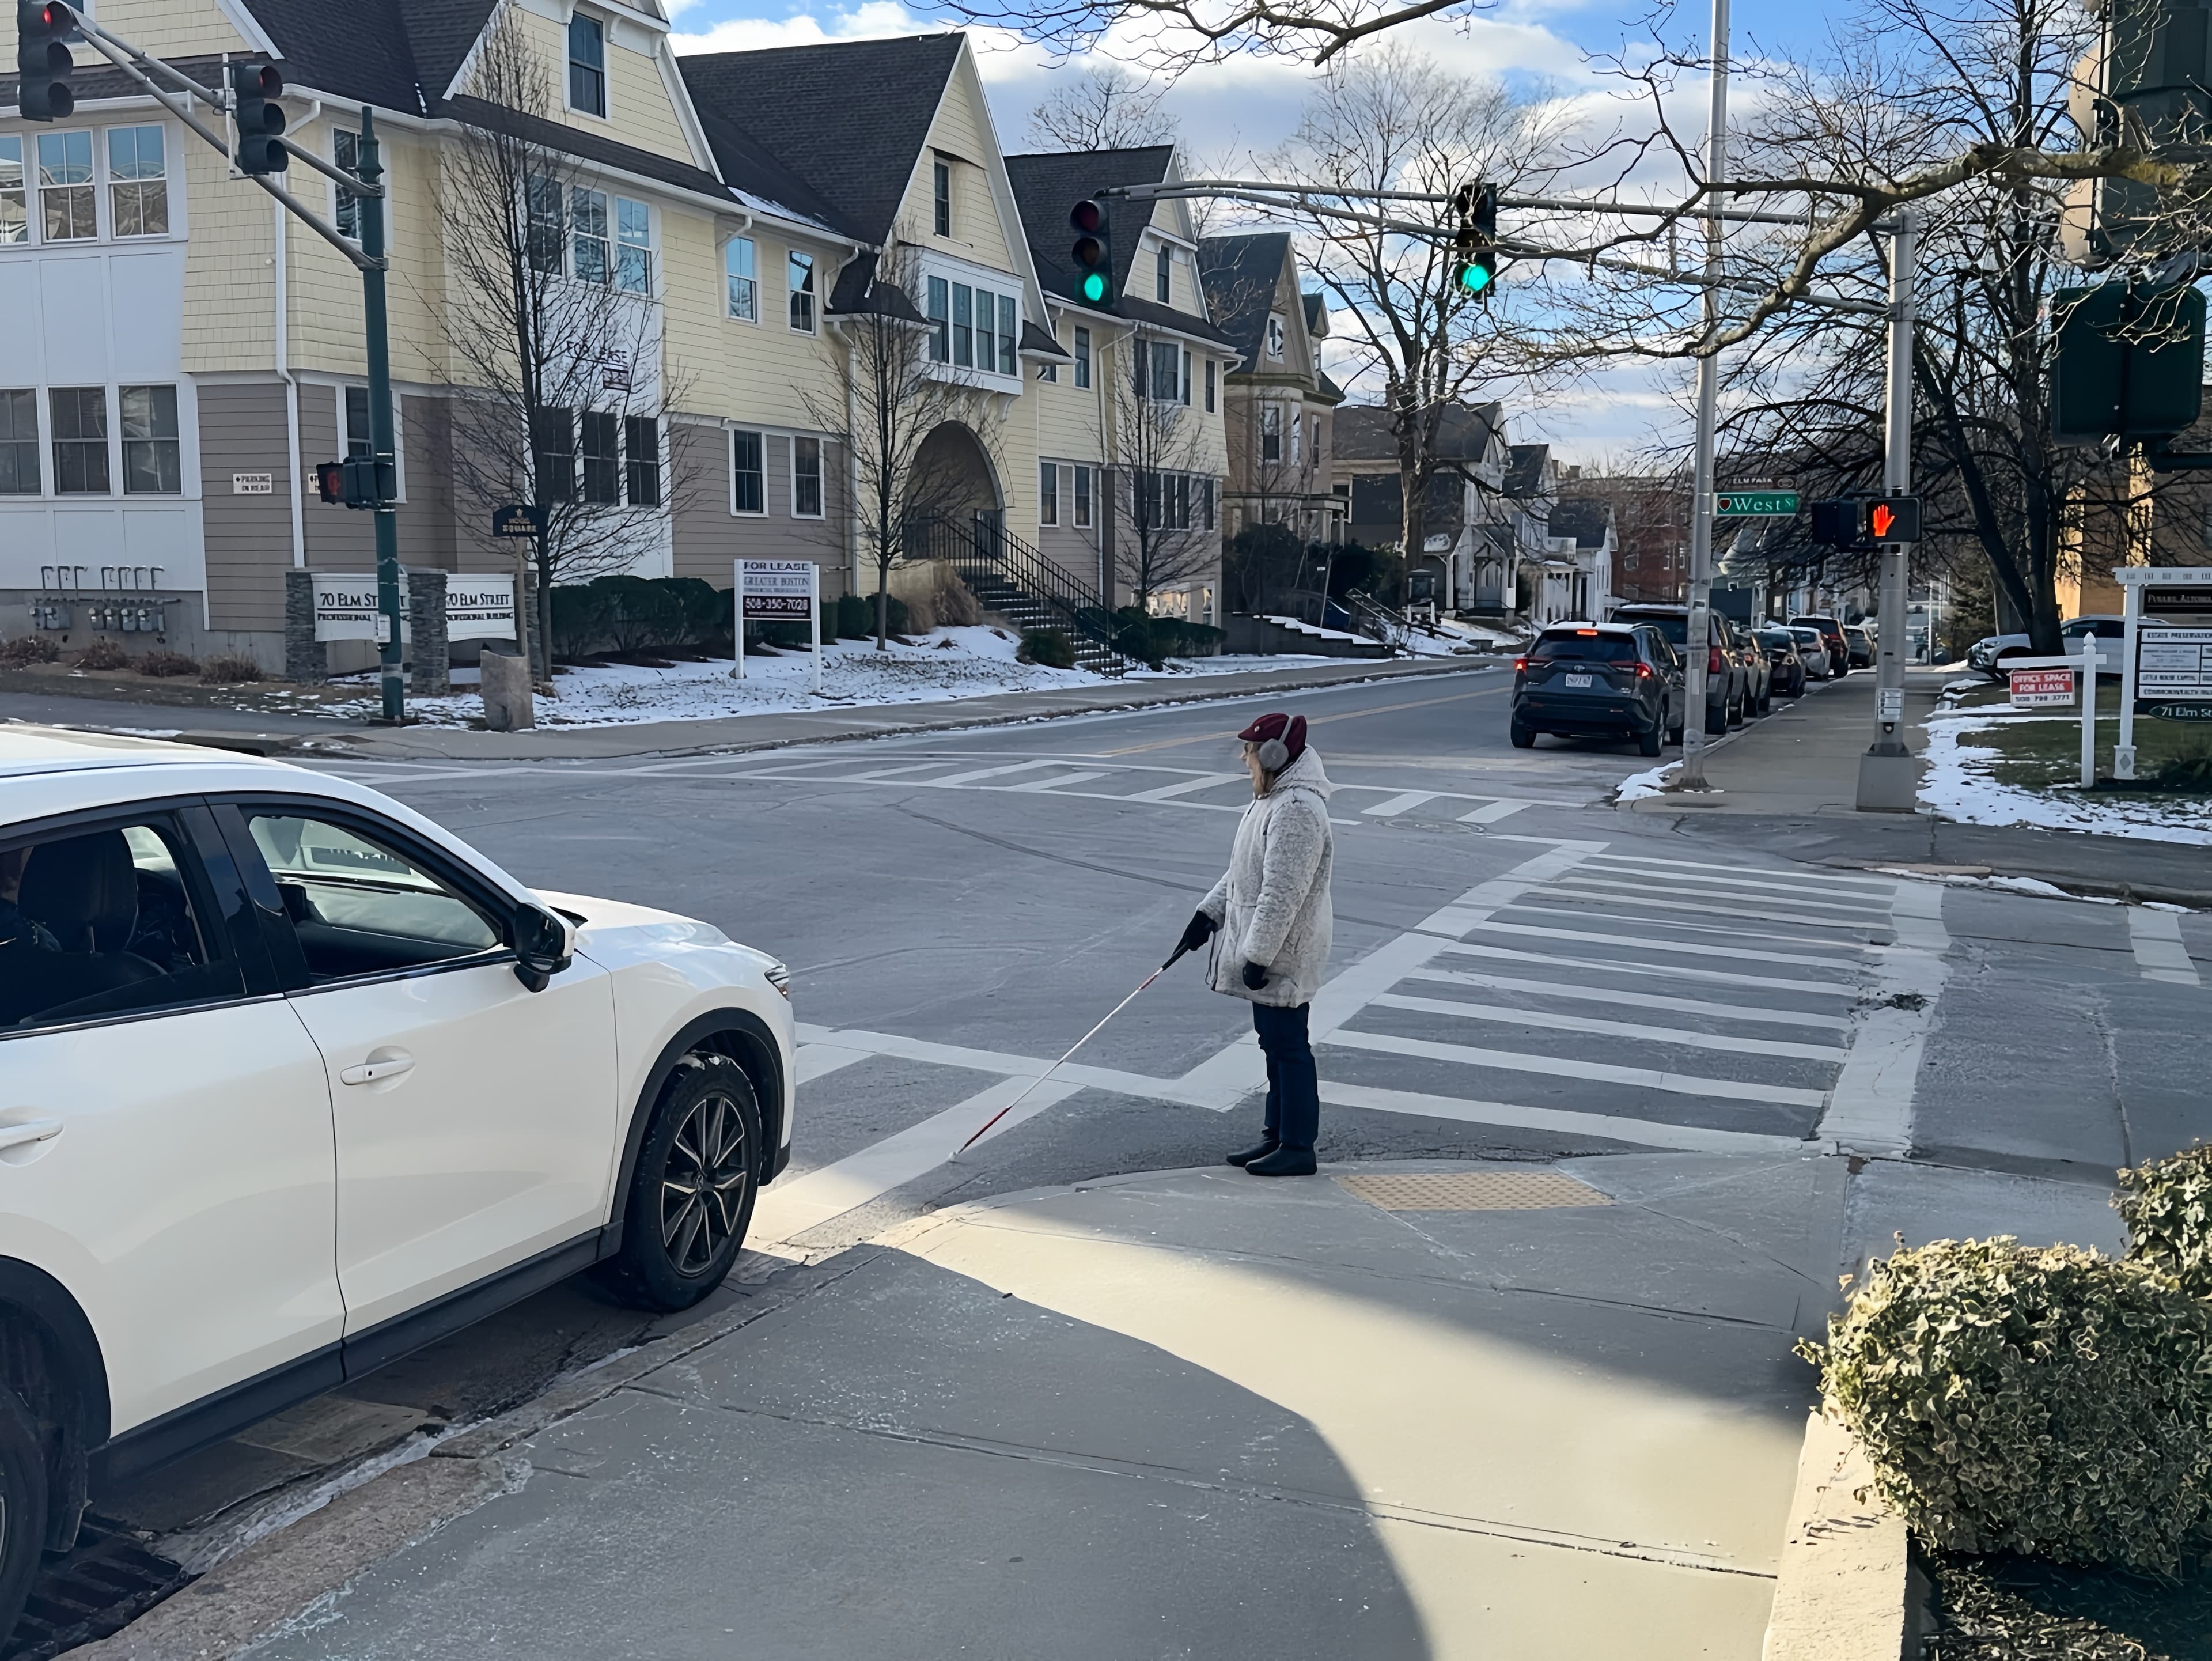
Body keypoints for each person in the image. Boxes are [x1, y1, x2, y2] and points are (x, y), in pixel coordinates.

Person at [1174, 712, 1334, 1177]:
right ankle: (1276, 1134)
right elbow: (1244, 871)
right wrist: (1208, 915)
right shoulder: (1272, 801)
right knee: (1273, 1042)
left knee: (1289, 1045)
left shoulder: (1298, 809)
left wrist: (1258, 955)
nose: (1244, 759)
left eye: (1249, 750)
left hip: (1286, 948)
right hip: (1268, 943)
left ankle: (1298, 1145)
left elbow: (1283, 891)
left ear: (1273, 755)